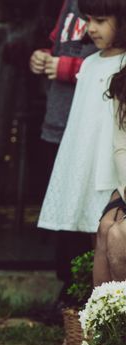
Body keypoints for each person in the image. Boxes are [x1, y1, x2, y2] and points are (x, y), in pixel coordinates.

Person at [38, 0, 126, 253]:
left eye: (100, 21)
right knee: (93, 232)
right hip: (86, 159)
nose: (91, 28)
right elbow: (80, 121)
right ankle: (95, 291)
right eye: (88, 20)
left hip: (112, 163)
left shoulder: (122, 65)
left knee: (112, 232)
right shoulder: (90, 63)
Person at [30, 0, 98, 290]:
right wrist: (44, 57)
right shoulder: (68, 4)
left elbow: (114, 61)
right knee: (64, 213)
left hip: (87, 126)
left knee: (84, 217)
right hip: (57, 121)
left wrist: (65, 67)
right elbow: (61, 45)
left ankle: (79, 294)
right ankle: (68, 292)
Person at [94, 47, 126, 285]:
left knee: (117, 235)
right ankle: (105, 320)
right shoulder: (122, 85)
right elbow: (121, 146)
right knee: (106, 227)